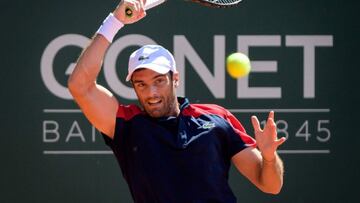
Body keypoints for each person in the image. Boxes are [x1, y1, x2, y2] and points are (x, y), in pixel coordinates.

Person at [68, 0, 286, 202]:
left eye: (159, 81)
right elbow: (80, 86)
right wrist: (114, 22)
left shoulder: (217, 118)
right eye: (141, 84)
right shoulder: (126, 124)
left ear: (176, 79)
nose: (151, 92)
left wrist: (268, 158)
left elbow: (270, 186)